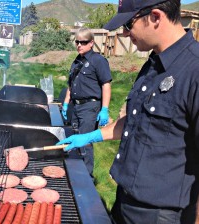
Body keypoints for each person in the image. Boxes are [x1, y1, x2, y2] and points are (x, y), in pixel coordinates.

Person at [57, 0, 199, 223]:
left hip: (161, 214)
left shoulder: (194, 69)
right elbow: (136, 121)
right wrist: (90, 136)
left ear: (155, 17)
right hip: (125, 201)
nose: (124, 33)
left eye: (128, 25)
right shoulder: (153, 64)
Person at [61, 27, 112, 176]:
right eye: (77, 42)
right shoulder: (76, 61)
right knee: (75, 138)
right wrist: (65, 103)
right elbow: (71, 85)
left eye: (83, 42)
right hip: (76, 107)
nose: (79, 45)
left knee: (85, 142)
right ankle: (75, 172)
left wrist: (105, 109)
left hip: (90, 107)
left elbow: (106, 85)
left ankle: (87, 177)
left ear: (91, 43)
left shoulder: (98, 60)